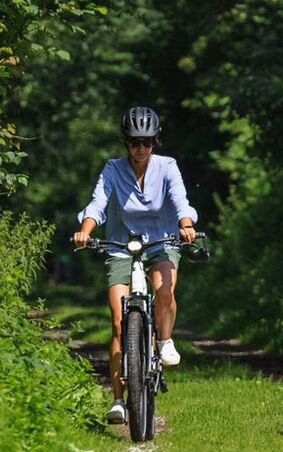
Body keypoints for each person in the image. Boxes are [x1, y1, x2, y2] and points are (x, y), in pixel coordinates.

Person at [74, 106, 198, 425]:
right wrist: (85, 232)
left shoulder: (167, 167)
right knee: (119, 322)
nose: (141, 148)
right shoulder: (112, 169)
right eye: (134, 142)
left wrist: (186, 225)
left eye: (147, 142)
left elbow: (180, 201)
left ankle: (164, 341)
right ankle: (118, 400)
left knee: (164, 291)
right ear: (125, 142)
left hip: (161, 243)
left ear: (155, 142)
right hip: (120, 246)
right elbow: (98, 204)